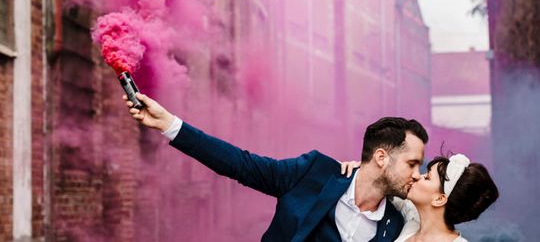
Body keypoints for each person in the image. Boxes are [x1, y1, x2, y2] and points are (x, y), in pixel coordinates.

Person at [124, 92, 428, 241]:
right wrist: (170, 125)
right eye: (412, 163)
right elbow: (241, 164)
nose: (417, 174)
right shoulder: (314, 173)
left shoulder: (396, 225)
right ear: (381, 157)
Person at [340, 154, 499, 241]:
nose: (417, 177)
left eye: (427, 177)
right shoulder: (411, 220)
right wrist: (361, 171)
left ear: (439, 199)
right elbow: (384, 183)